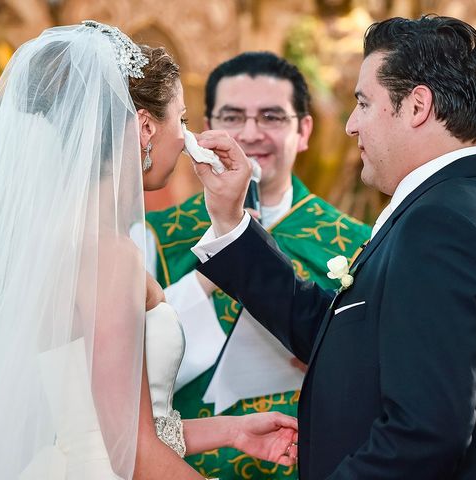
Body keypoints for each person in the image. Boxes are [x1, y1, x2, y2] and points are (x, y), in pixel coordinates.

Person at [190, 15, 476, 479]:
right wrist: (231, 219)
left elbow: (422, 438)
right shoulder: (470, 204)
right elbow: (342, 335)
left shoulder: (442, 224)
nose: (352, 126)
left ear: (417, 105)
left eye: (363, 103)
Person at [0, 22, 297, 480]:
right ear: (144, 128)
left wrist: (231, 431)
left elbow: (101, 427)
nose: (186, 137)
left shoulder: (58, 238)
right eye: (182, 119)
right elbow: (131, 454)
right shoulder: (107, 255)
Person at [145, 51, 371, 479]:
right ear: (203, 125)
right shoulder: (155, 234)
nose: (250, 134)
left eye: (271, 117)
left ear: (303, 130)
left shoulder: (357, 241)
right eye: (232, 117)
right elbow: (125, 379)